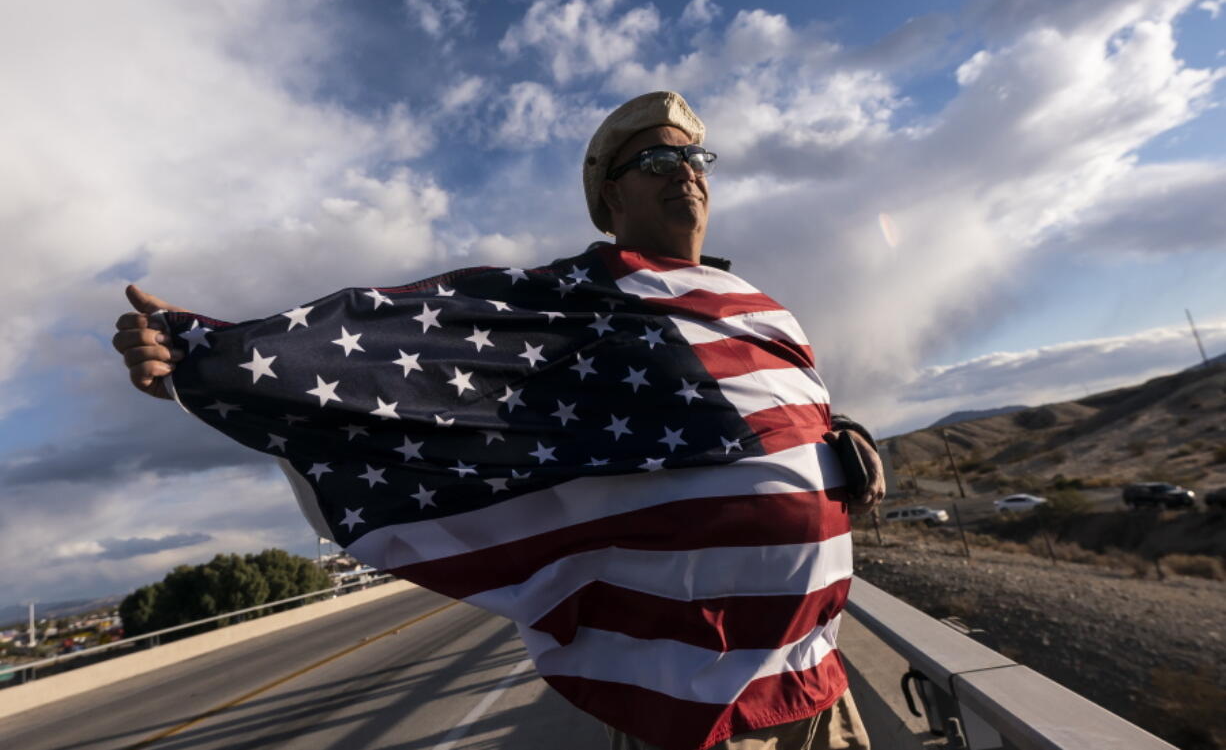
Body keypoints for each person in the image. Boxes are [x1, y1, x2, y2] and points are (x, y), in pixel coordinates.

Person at [113, 90, 885, 750]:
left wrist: (845, 435)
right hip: (704, 700)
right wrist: (212, 361)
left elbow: (789, 420)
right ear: (611, 197)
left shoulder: (761, 308)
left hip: (819, 673)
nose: (685, 171)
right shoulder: (578, 309)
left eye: (696, 160)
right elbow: (402, 362)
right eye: (656, 161)